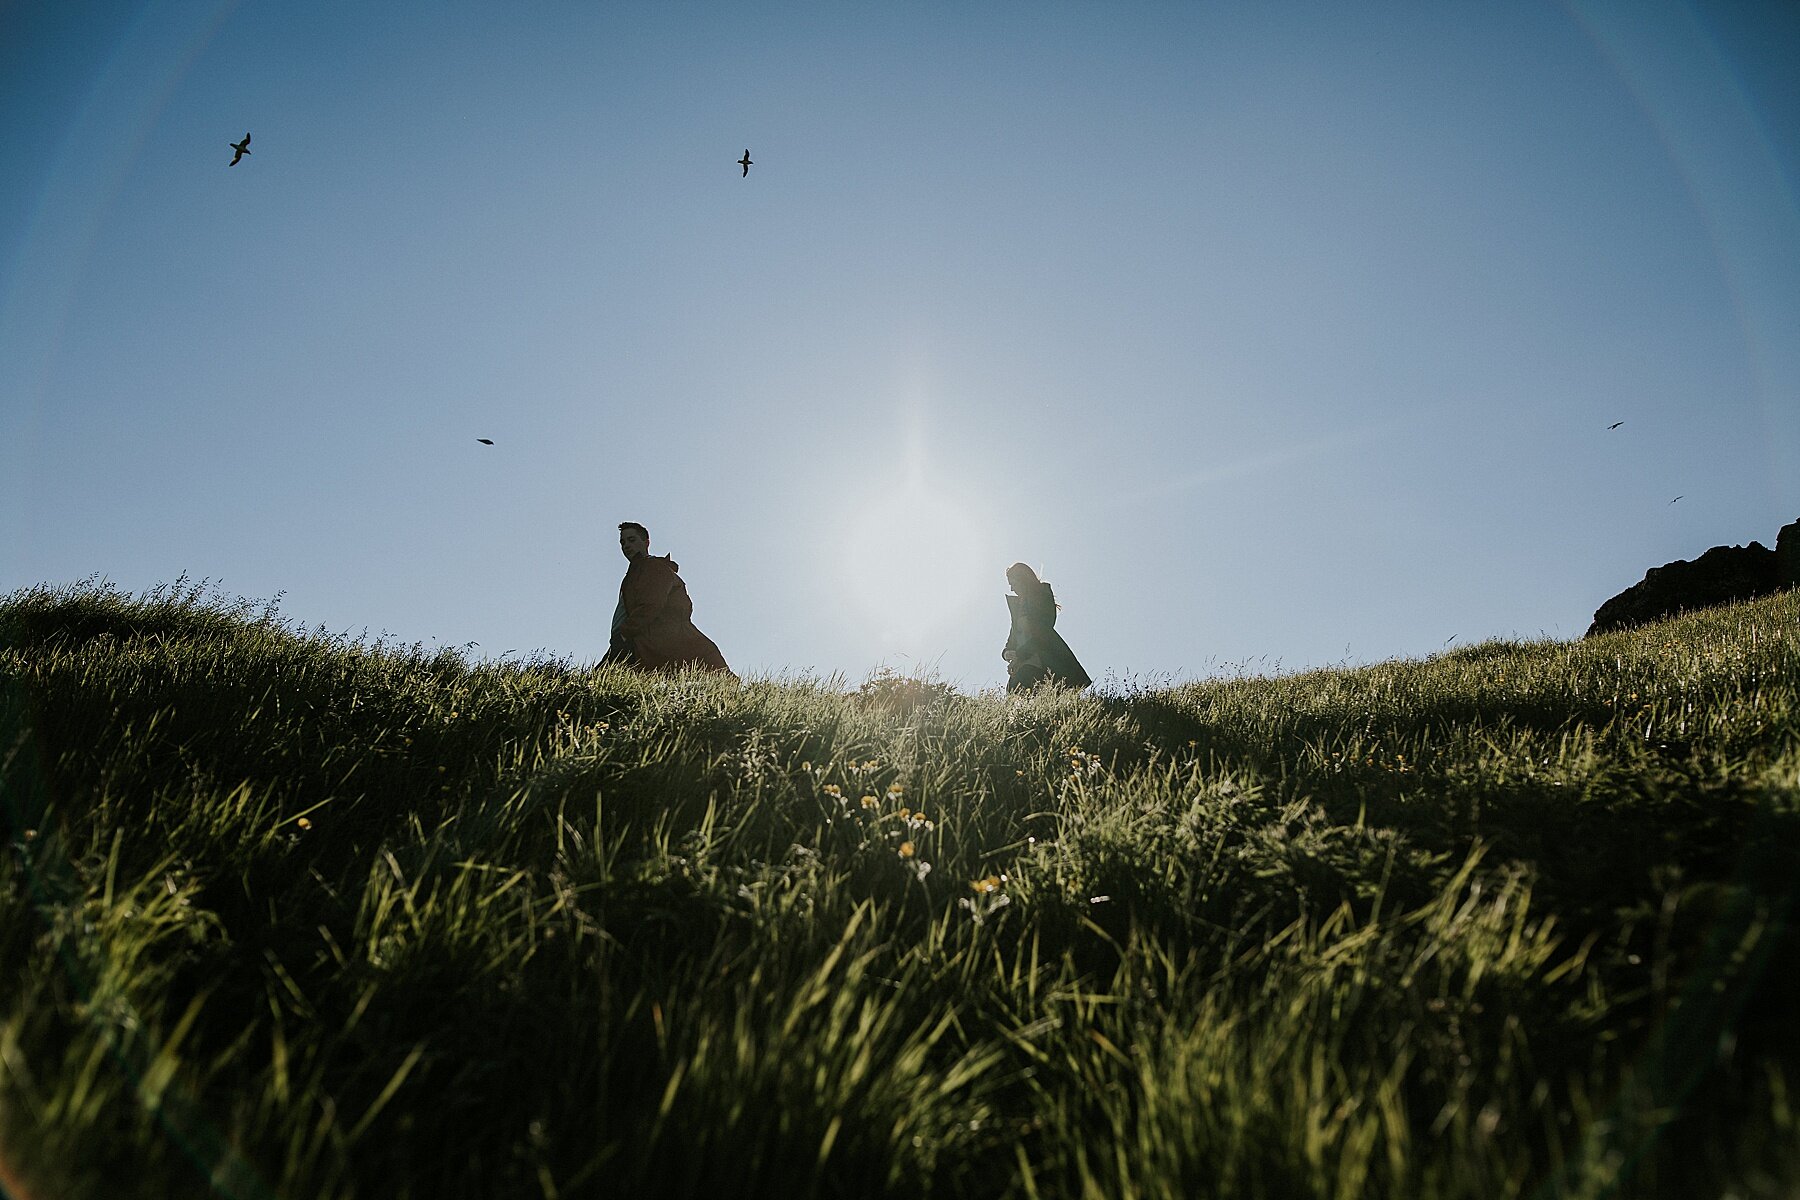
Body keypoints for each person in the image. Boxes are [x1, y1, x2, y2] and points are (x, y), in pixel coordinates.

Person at [602, 522, 734, 674]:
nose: (626, 546)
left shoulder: (652, 567)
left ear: (646, 542)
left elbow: (651, 604)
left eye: (632, 540)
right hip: (636, 638)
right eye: (622, 542)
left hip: (649, 639)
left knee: (600, 681)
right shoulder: (636, 572)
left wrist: (625, 633)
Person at [1002, 562, 1091, 693]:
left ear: (1022, 580)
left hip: (1042, 657)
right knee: (1012, 690)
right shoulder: (1018, 608)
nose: (1011, 588)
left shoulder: (1041, 595)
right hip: (1023, 658)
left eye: (1012, 583)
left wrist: (1020, 655)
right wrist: (1007, 652)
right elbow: (1014, 634)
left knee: (1022, 685)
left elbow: (1043, 630)